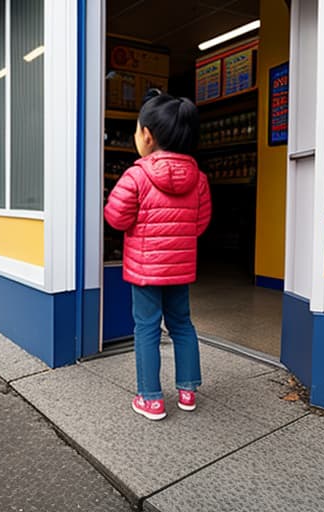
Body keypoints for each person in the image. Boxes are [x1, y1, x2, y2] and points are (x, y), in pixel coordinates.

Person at [104, 91, 211, 421]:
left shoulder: (136, 175)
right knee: (182, 324)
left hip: (146, 271)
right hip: (179, 270)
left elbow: (116, 217)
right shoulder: (199, 179)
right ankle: (188, 390)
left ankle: (150, 398)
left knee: (147, 328)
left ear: (147, 136)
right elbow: (200, 223)